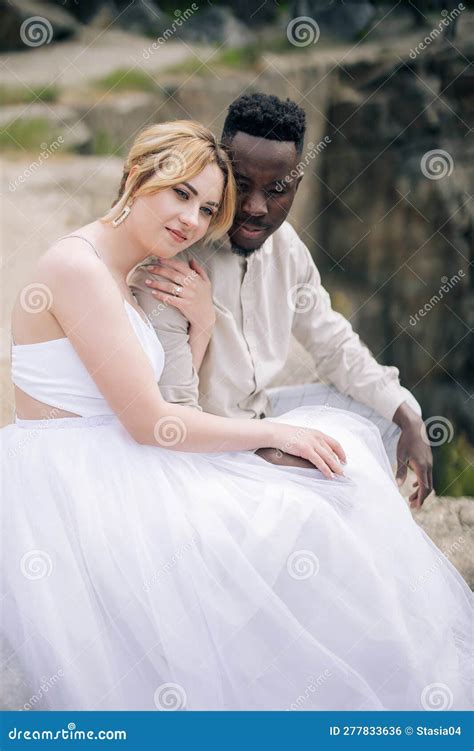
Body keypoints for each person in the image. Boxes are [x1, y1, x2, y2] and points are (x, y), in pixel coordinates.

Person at [1, 120, 472, 712]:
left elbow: (166, 402)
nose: (192, 221)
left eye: (204, 208)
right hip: (80, 477)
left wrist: (201, 324)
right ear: (137, 174)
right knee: (304, 515)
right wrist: (274, 431)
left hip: (124, 452)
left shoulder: (131, 271)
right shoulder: (80, 268)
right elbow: (151, 422)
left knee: (335, 486)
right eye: (180, 194)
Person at [131, 94, 433, 510]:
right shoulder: (176, 259)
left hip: (263, 412)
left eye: (276, 189)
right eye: (240, 185)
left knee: (394, 411)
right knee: (331, 486)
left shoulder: (287, 248)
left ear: (296, 185)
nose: (256, 208)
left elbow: (333, 344)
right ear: (219, 176)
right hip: (206, 443)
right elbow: (175, 419)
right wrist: (279, 449)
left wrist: (408, 416)